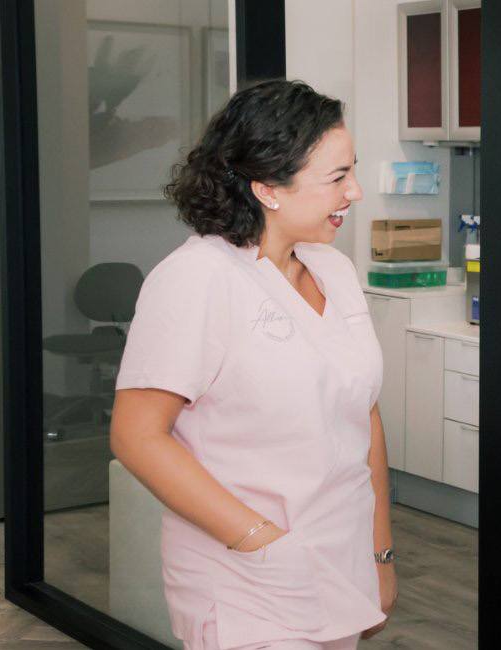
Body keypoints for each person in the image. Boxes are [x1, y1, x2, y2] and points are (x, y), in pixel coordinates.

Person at [110, 79, 395, 650]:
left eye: (352, 171)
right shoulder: (198, 279)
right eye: (338, 178)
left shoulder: (332, 271)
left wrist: (379, 552)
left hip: (341, 561)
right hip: (246, 576)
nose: (356, 192)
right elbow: (137, 435)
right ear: (267, 188)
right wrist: (261, 543)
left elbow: (362, 410)